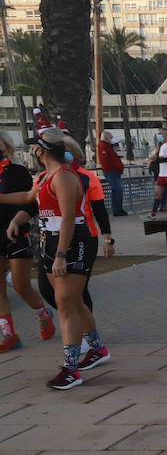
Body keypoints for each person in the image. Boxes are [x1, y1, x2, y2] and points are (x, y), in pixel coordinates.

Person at [3, 129, 109, 389]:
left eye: (34, 147)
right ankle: (97, 349)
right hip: (50, 241)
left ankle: (71, 370)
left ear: (41, 150)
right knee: (73, 301)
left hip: (72, 242)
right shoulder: (45, 177)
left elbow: (69, 219)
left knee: (65, 305)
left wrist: (61, 255)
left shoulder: (63, 177)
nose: (32, 151)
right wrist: (14, 216)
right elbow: (28, 198)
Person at [0, 132, 55, 351]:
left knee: (21, 285)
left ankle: (43, 313)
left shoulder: (17, 171)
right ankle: (9, 334)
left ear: (7, 146)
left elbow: (30, 201)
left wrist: (16, 219)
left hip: (16, 232)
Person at [96, 131, 127, 216]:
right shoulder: (103, 146)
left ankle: (118, 209)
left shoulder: (107, 146)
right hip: (111, 171)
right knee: (117, 190)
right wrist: (116, 167)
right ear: (106, 138)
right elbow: (106, 160)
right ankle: (117, 210)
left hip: (113, 171)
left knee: (117, 190)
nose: (112, 139)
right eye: (111, 138)